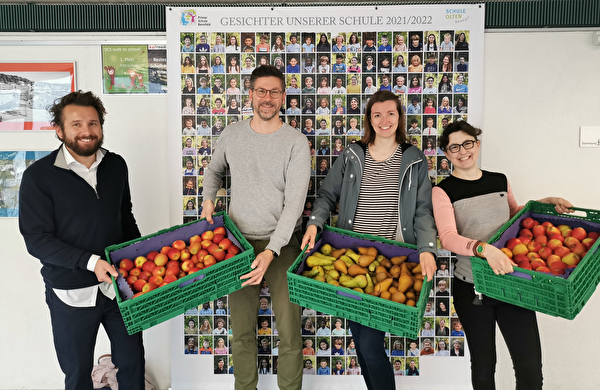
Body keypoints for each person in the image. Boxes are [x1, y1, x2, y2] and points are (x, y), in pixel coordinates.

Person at [301, 90, 436, 390]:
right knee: (361, 346)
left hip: (389, 263)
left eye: (390, 113)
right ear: (369, 119)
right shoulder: (352, 155)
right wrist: (314, 223)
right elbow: (326, 195)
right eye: (377, 114)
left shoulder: (414, 159)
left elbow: (423, 210)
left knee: (371, 346)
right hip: (352, 258)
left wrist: (427, 249)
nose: (384, 120)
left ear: (399, 117)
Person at [432, 121, 573, 390]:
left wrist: (542, 203)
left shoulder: (499, 180)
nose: (463, 151)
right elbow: (448, 237)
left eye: (467, 143)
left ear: (477, 144)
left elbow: (512, 218)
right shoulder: (443, 190)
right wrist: (485, 250)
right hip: (472, 288)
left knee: (530, 367)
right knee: (484, 367)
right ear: (447, 154)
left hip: (512, 282)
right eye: (454, 147)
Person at [19, 90, 146, 390]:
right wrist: (91, 263)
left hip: (118, 287)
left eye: (93, 123)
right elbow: (36, 239)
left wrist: (140, 258)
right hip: (70, 292)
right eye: (76, 124)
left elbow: (124, 217)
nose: (86, 131)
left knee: (132, 364)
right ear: (59, 130)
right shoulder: (39, 176)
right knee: (77, 374)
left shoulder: (117, 166)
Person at [201, 65, 309, 390]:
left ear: (283, 98)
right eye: (261, 91)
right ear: (249, 94)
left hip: (284, 247)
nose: (267, 98)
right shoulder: (232, 134)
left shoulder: (295, 142)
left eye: (274, 92)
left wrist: (272, 251)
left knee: (290, 331)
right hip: (239, 246)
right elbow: (213, 170)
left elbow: (295, 204)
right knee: (242, 331)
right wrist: (208, 199)